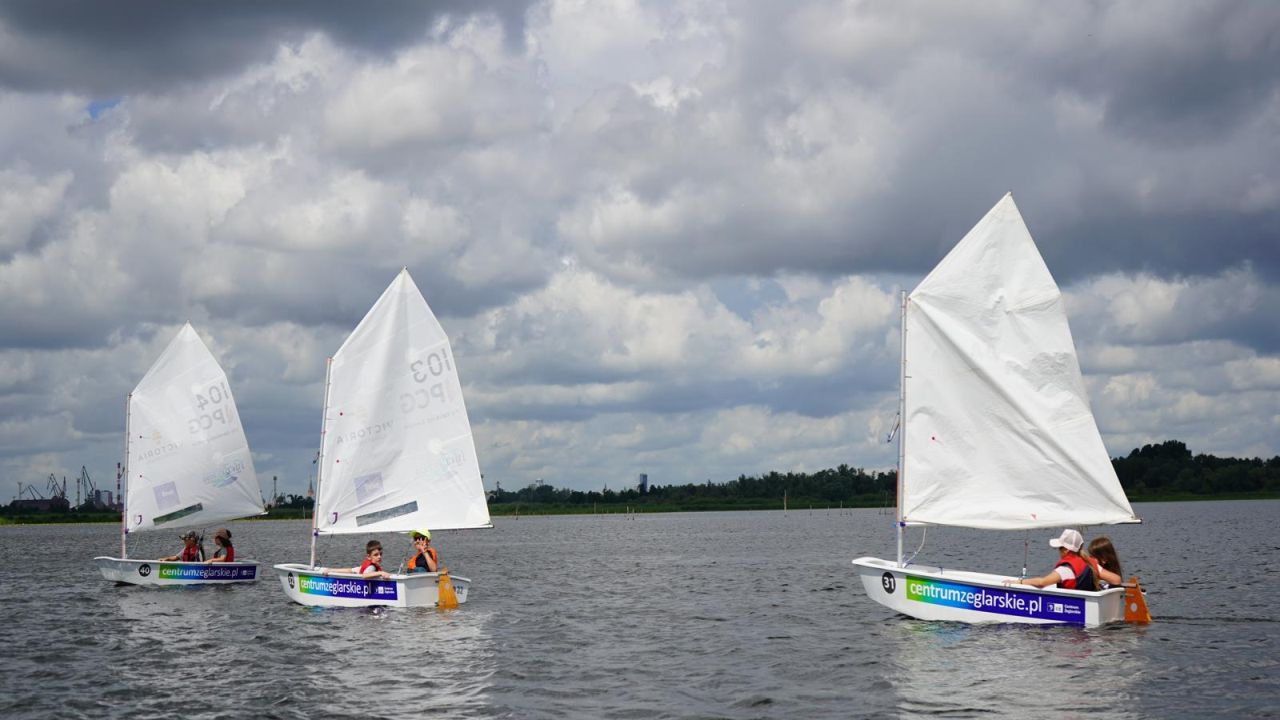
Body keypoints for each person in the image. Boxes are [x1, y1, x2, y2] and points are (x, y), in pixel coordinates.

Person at [1006, 528, 1094, 590]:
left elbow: (1042, 583)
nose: (1058, 551)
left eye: (1060, 548)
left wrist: (1020, 582)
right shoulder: (1088, 562)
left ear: (1066, 550)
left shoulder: (1065, 569)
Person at [318, 540, 392, 579]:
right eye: (376, 555)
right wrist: (381, 573)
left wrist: (331, 570)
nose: (379, 557)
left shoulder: (367, 566)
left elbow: (350, 570)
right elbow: (364, 575)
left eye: (380, 554)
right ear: (369, 557)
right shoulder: (371, 567)